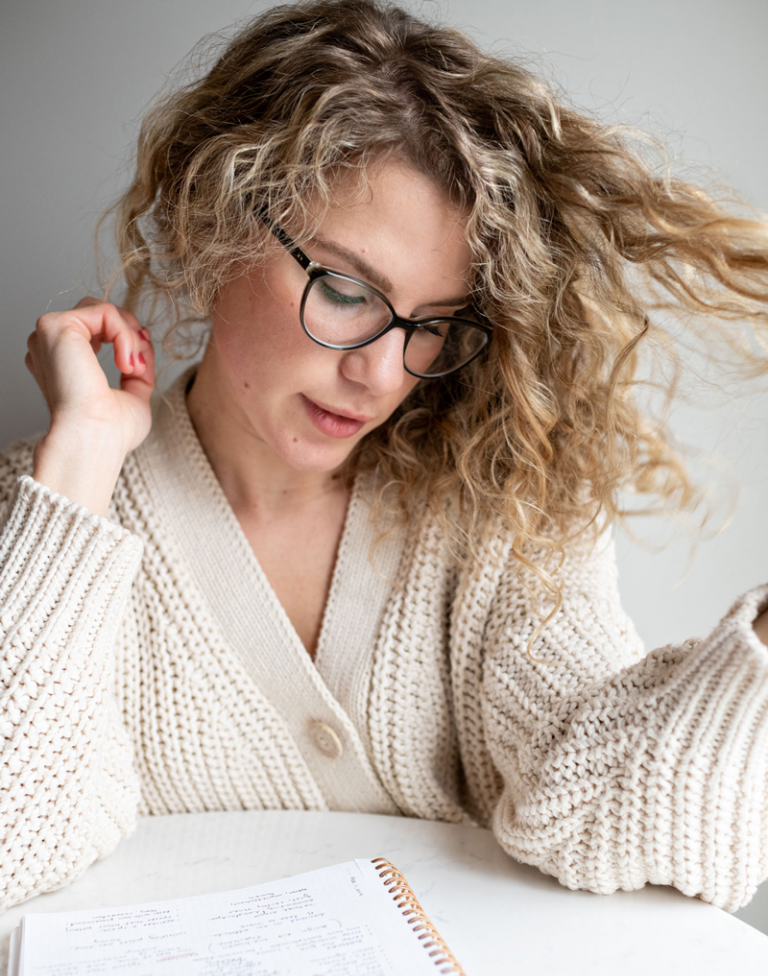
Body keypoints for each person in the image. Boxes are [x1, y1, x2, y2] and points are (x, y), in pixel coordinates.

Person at [3, 0, 768, 915]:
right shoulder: (54, 522)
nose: (376, 371)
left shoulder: (500, 513)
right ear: (220, 228)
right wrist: (82, 458)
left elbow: (620, 818)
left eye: (431, 325)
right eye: (345, 289)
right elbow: (16, 837)